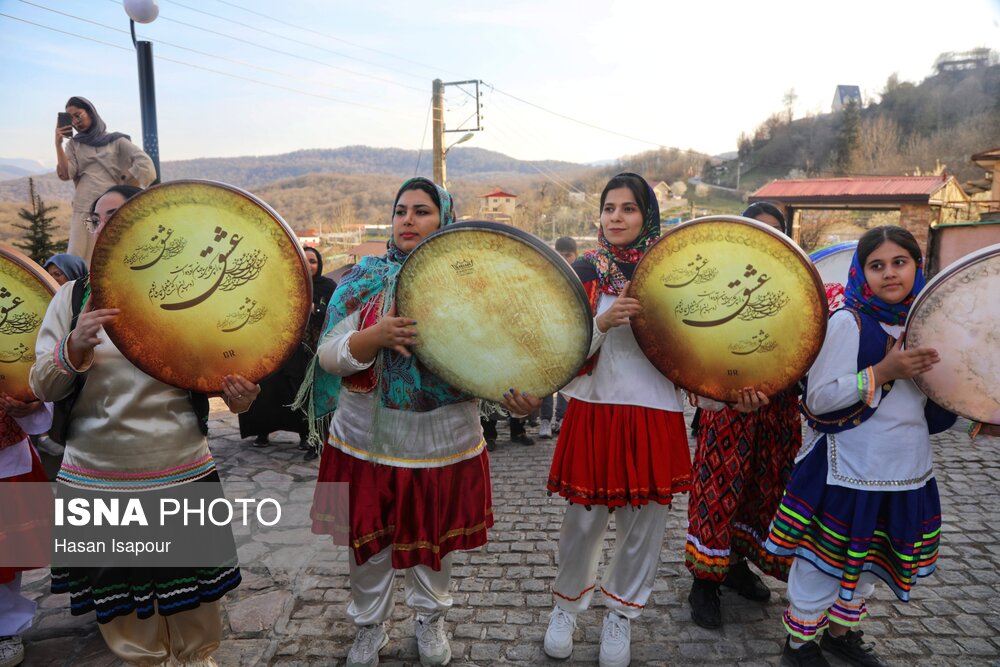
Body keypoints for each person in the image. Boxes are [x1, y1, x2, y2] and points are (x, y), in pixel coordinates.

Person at [307, 177, 539, 667]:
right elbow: (329, 356)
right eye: (401, 211)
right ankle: (369, 627)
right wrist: (373, 337)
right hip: (363, 439)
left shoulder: (475, 287)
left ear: (445, 219)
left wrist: (519, 397)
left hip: (443, 441)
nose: (408, 220)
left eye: (422, 211)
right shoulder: (362, 278)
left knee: (435, 546)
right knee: (365, 546)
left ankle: (430, 618)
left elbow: (499, 360)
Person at [29, 185, 259, 667]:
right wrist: (75, 345)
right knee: (123, 606)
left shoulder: (192, 287)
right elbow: (43, 386)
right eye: (99, 218)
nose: (109, 225)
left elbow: (224, 375)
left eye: (123, 215)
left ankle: (199, 659)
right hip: (95, 473)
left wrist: (240, 399)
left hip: (180, 466)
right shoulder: (73, 299)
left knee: (196, 597)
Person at [764, 225, 955, 667]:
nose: (890, 273)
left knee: (868, 560)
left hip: (905, 467)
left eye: (900, 262)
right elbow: (819, 398)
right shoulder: (848, 322)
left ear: (917, 266)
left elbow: (949, 389)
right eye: (877, 265)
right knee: (821, 562)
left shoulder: (929, 322)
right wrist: (883, 370)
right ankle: (800, 644)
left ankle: (841, 633)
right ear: (860, 272)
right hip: (846, 467)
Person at [543, 173, 692, 667]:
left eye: (628, 208)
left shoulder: (674, 274)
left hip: (655, 414)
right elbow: (559, 354)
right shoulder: (583, 273)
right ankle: (566, 608)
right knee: (582, 525)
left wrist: (731, 394)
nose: (617, 217)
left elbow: (697, 355)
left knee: (642, 526)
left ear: (646, 215)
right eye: (609, 208)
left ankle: (620, 616)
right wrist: (603, 323)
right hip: (596, 411)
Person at [684, 202, 800, 629]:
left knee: (762, 491)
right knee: (718, 493)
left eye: (775, 231)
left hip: (779, 411)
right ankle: (704, 580)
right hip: (728, 410)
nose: (767, 238)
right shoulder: (718, 285)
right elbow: (695, 349)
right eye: (756, 230)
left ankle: (734, 567)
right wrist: (722, 393)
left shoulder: (799, 287)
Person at [240, 246, 337, 461]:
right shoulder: (282, 285)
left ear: (319, 264)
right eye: (303, 260)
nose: (308, 265)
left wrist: (312, 309)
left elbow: (335, 312)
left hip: (310, 354)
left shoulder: (327, 286)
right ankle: (263, 431)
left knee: (301, 393)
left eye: (313, 261)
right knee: (269, 390)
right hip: (280, 349)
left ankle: (306, 435)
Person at [55, 96, 155, 262]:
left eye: (78, 115)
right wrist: (58, 145)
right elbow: (66, 174)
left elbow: (145, 164)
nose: (75, 121)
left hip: (109, 209)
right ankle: (79, 289)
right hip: (84, 207)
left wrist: (126, 185)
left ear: (91, 113)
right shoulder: (73, 144)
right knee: (78, 256)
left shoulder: (116, 141)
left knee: (110, 254)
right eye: (70, 118)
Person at [0, 396, 52, 667]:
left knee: (7, 548)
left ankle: (4, 628)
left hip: (4, 452)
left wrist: (33, 403)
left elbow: (36, 370)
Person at [538, 236, 577, 440]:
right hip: (548, 334)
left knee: (566, 379)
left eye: (568, 255)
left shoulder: (581, 276)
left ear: (575, 256)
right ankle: (545, 419)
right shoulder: (546, 275)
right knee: (547, 378)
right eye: (560, 255)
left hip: (569, 337)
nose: (564, 259)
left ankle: (561, 417)